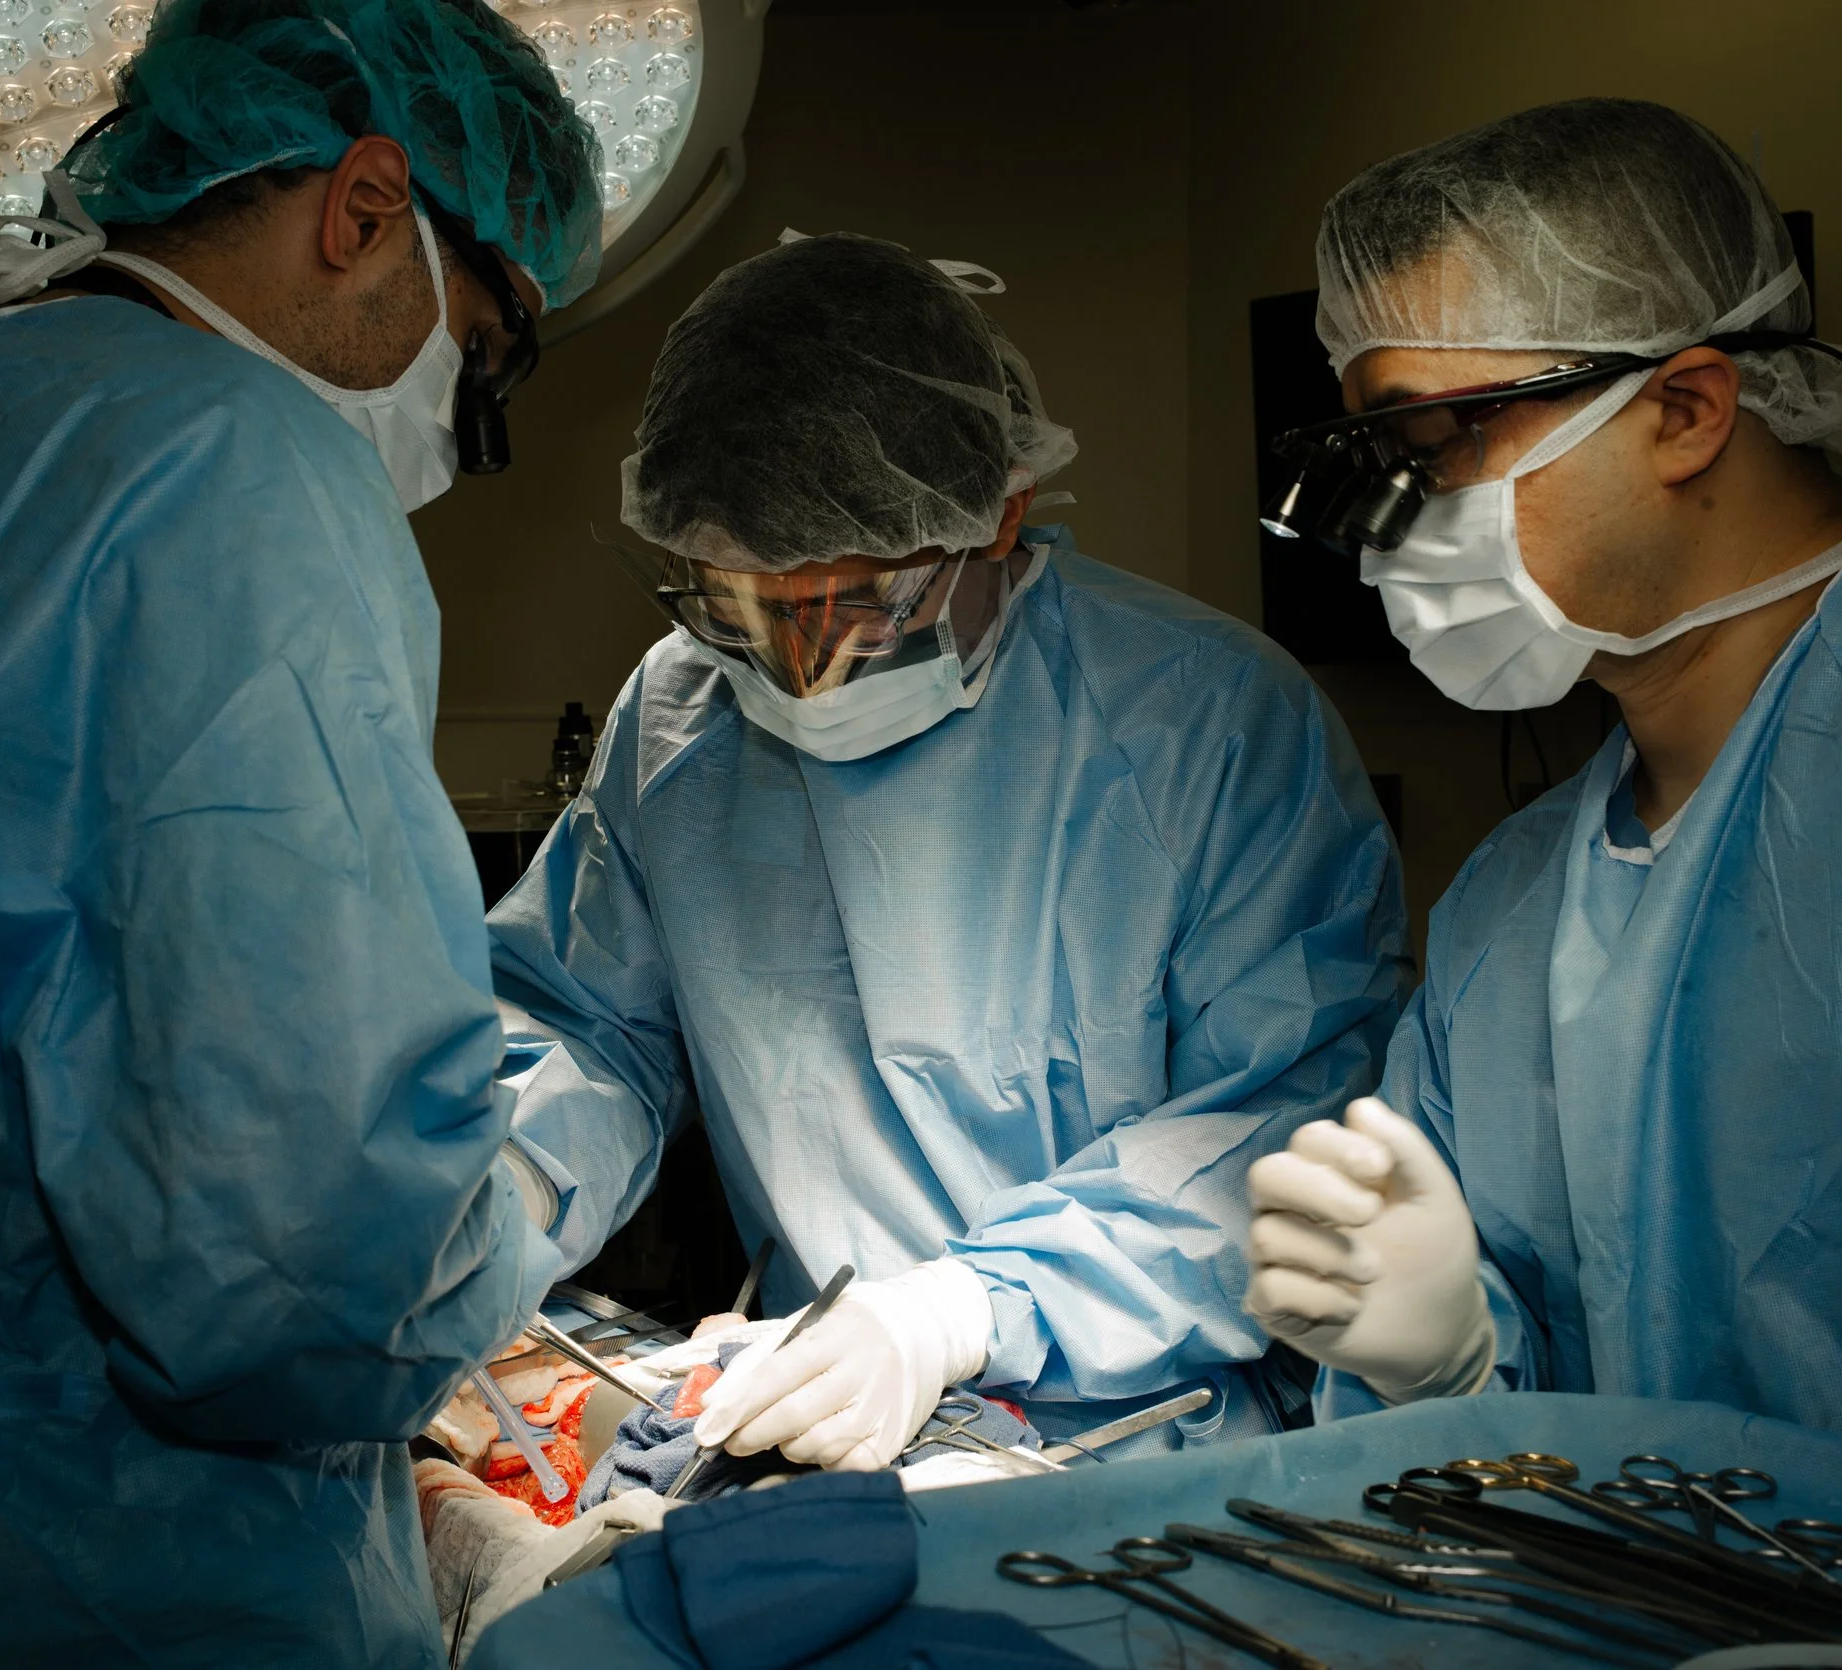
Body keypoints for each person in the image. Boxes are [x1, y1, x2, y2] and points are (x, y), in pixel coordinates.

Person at [0, 0, 600, 1662]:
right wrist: (527, 1190)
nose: (465, 427)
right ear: (362, 210)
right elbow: (303, 1268)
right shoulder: (235, 473)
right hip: (99, 1583)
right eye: (484, 346)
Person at [1240, 98, 1842, 1499]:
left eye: (1436, 439)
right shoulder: (1513, 911)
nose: (1394, 518)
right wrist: (1451, 1366)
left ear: (1687, 409)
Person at [489, 231, 1411, 1470]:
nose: (794, 668)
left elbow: (1282, 1122)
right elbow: (588, 1024)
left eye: (856, 607)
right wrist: (504, 1189)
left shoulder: (1204, 721)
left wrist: (957, 1311)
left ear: (1001, 518)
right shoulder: (676, 721)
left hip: (1146, 1447)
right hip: (816, 1412)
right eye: (740, 607)